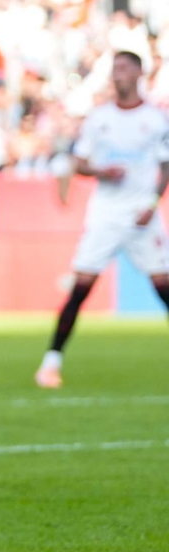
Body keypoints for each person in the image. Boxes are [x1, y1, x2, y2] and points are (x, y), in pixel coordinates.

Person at [36, 51, 169, 389]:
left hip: (142, 215)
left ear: (139, 72)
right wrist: (100, 171)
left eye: (124, 68)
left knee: (164, 287)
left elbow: (165, 167)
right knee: (81, 288)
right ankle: (51, 363)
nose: (118, 74)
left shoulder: (156, 120)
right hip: (106, 213)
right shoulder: (98, 118)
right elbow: (79, 163)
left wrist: (153, 202)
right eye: (114, 69)